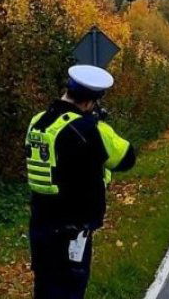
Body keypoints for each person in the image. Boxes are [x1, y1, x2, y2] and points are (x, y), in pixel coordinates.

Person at [25, 65, 136, 299]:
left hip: (40, 222)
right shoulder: (91, 128)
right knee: (70, 289)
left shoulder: (37, 121)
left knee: (44, 287)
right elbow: (126, 159)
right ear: (89, 102)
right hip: (73, 227)